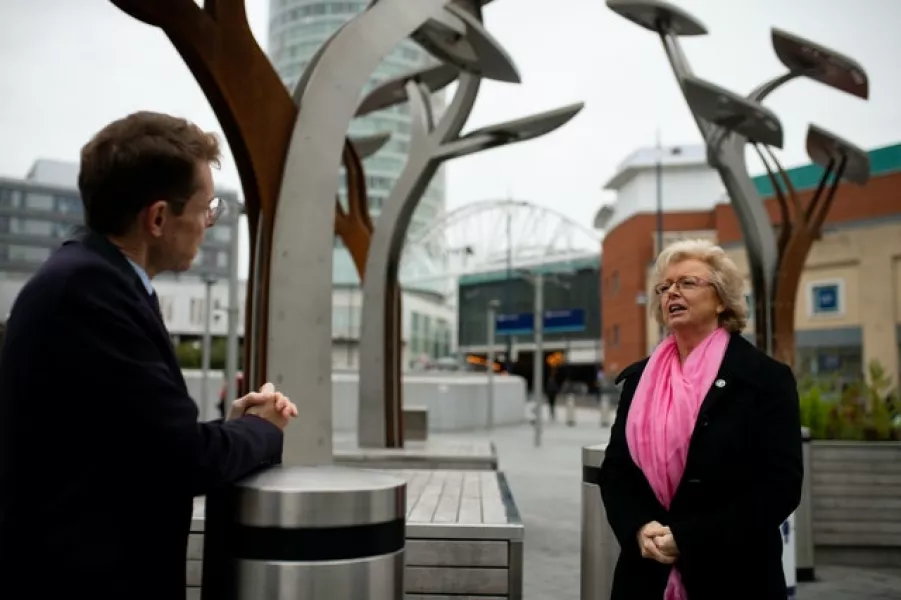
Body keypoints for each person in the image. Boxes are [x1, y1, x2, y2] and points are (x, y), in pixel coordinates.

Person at [0, 111, 299, 600]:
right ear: (158, 218)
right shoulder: (89, 292)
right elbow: (182, 460)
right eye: (206, 209)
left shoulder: (91, 280)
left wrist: (233, 428)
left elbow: (136, 443)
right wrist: (263, 430)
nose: (208, 222)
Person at [598, 239, 802, 600]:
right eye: (664, 287)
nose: (671, 292)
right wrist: (639, 527)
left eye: (687, 283)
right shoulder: (639, 380)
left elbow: (780, 487)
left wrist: (688, 538)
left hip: (735, 575)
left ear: (722, 299)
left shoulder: (764, 379)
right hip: (647, 574)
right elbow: (616, 470)